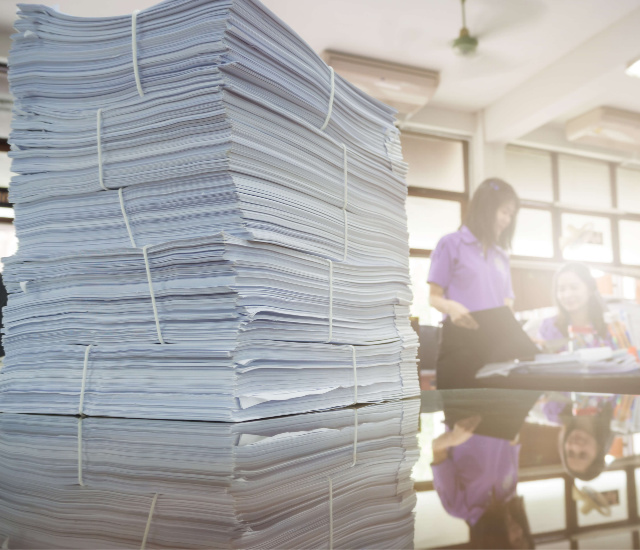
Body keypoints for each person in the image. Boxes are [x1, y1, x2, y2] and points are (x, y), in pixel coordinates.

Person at [428, 178, 520, 388]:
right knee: (462, 416)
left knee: (496, 417)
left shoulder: (502, 256)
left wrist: (520, 340)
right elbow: (433, 297)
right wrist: (452, 307)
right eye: (504, 211)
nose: (507, 220)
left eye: (511, 214)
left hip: (496, 345)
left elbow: (507, 304)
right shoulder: (451, 244)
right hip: (460, 343)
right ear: (486, 209)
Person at [536, 263, 611, 352]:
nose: (567, 295)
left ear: (590, 289)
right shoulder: (548, 327)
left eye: (574, 287)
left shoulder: (610, 327)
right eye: (561, 289)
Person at [541, 392, 615, 481]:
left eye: (570, 452)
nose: (575, 446)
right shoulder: (621, 413)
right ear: (599, 451)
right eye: (583, 454)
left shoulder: (552, 411)